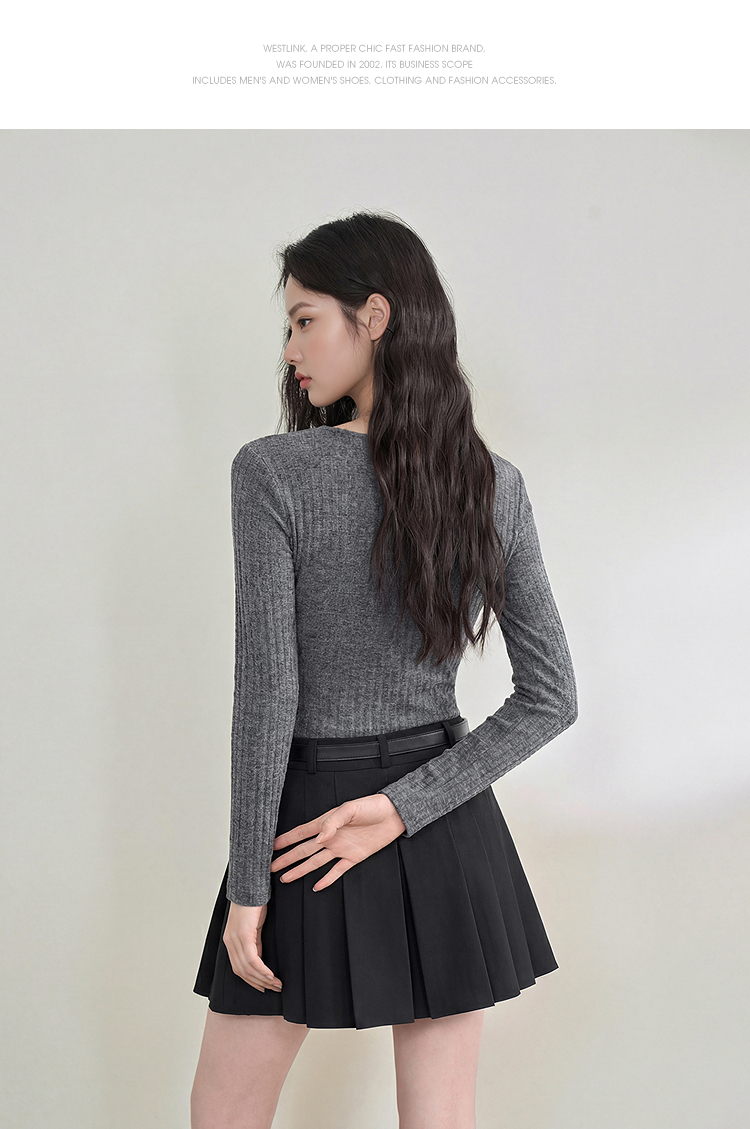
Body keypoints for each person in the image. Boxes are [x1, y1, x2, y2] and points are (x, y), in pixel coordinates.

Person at [190, 210, 578, 1129]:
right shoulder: (491, 482)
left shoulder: (273, 471)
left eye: (304, 319)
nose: (290, 349)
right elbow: (553, 697)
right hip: (441, 814)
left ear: (373, 316)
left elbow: (267, 698)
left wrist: (249, 886)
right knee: (441, 1115)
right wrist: (406, 806)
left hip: (305, 824)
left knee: (224, 1112)